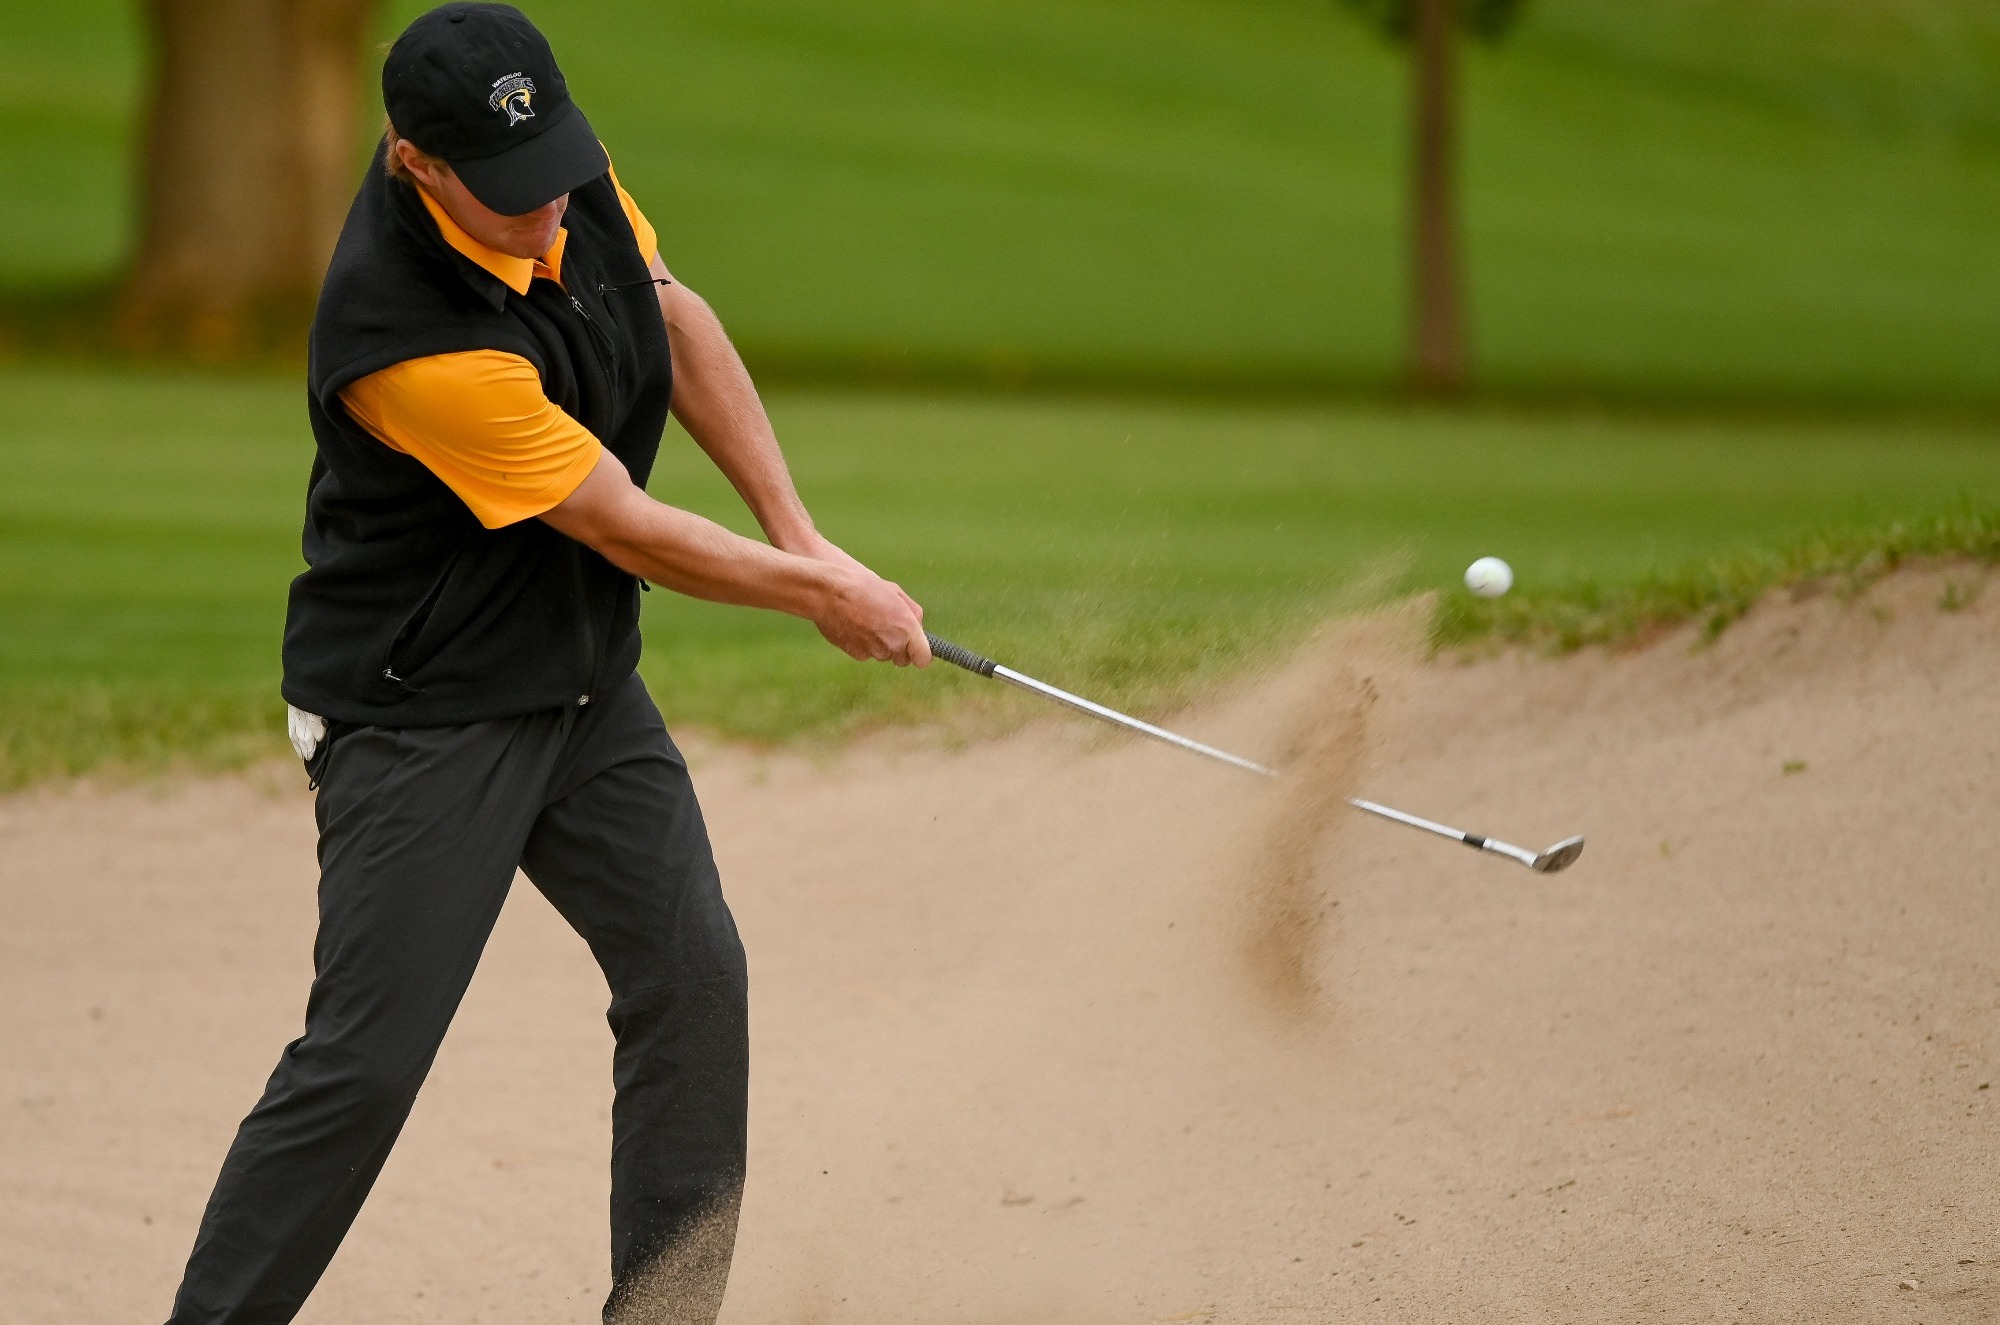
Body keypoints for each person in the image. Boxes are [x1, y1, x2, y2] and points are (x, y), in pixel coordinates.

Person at [160, 5, 930, 1322]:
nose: (548, 212)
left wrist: (803, 533)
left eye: (556, 171)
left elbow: (672, 316)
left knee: (694, 977)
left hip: (579, 685)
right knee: (367, 1064)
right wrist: (819, 593)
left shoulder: (559, 180)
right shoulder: (406, 343)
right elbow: (622, 523)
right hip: (421, 712)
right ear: (417, 164)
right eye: (509, 195)